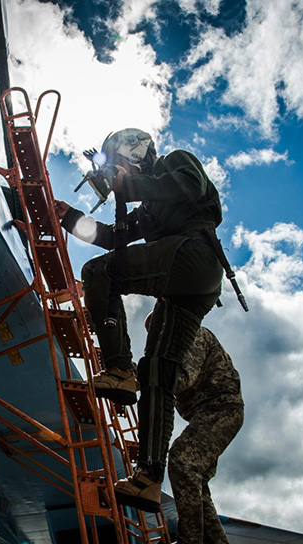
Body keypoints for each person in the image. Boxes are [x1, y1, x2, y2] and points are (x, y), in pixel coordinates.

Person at [54, 128, 230, 514]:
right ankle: (149, 477)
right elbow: (109, 238)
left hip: (194, 255)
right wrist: (69, 218)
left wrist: (127, 184)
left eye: (119, 163)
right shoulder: (147, 210)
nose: (117, 172)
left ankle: (118, 369)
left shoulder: (175, 162)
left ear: (136, 152)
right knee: (157, 374)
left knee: (99, 274)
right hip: (188, 284)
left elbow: (185, 185)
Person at [158, 317, 260, 544]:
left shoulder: (191, 336)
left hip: (220, 409)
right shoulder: (175, 345)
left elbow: (183, 379)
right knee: (196, 485)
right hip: (209, 413)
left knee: (182, 461)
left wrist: (146, 375)